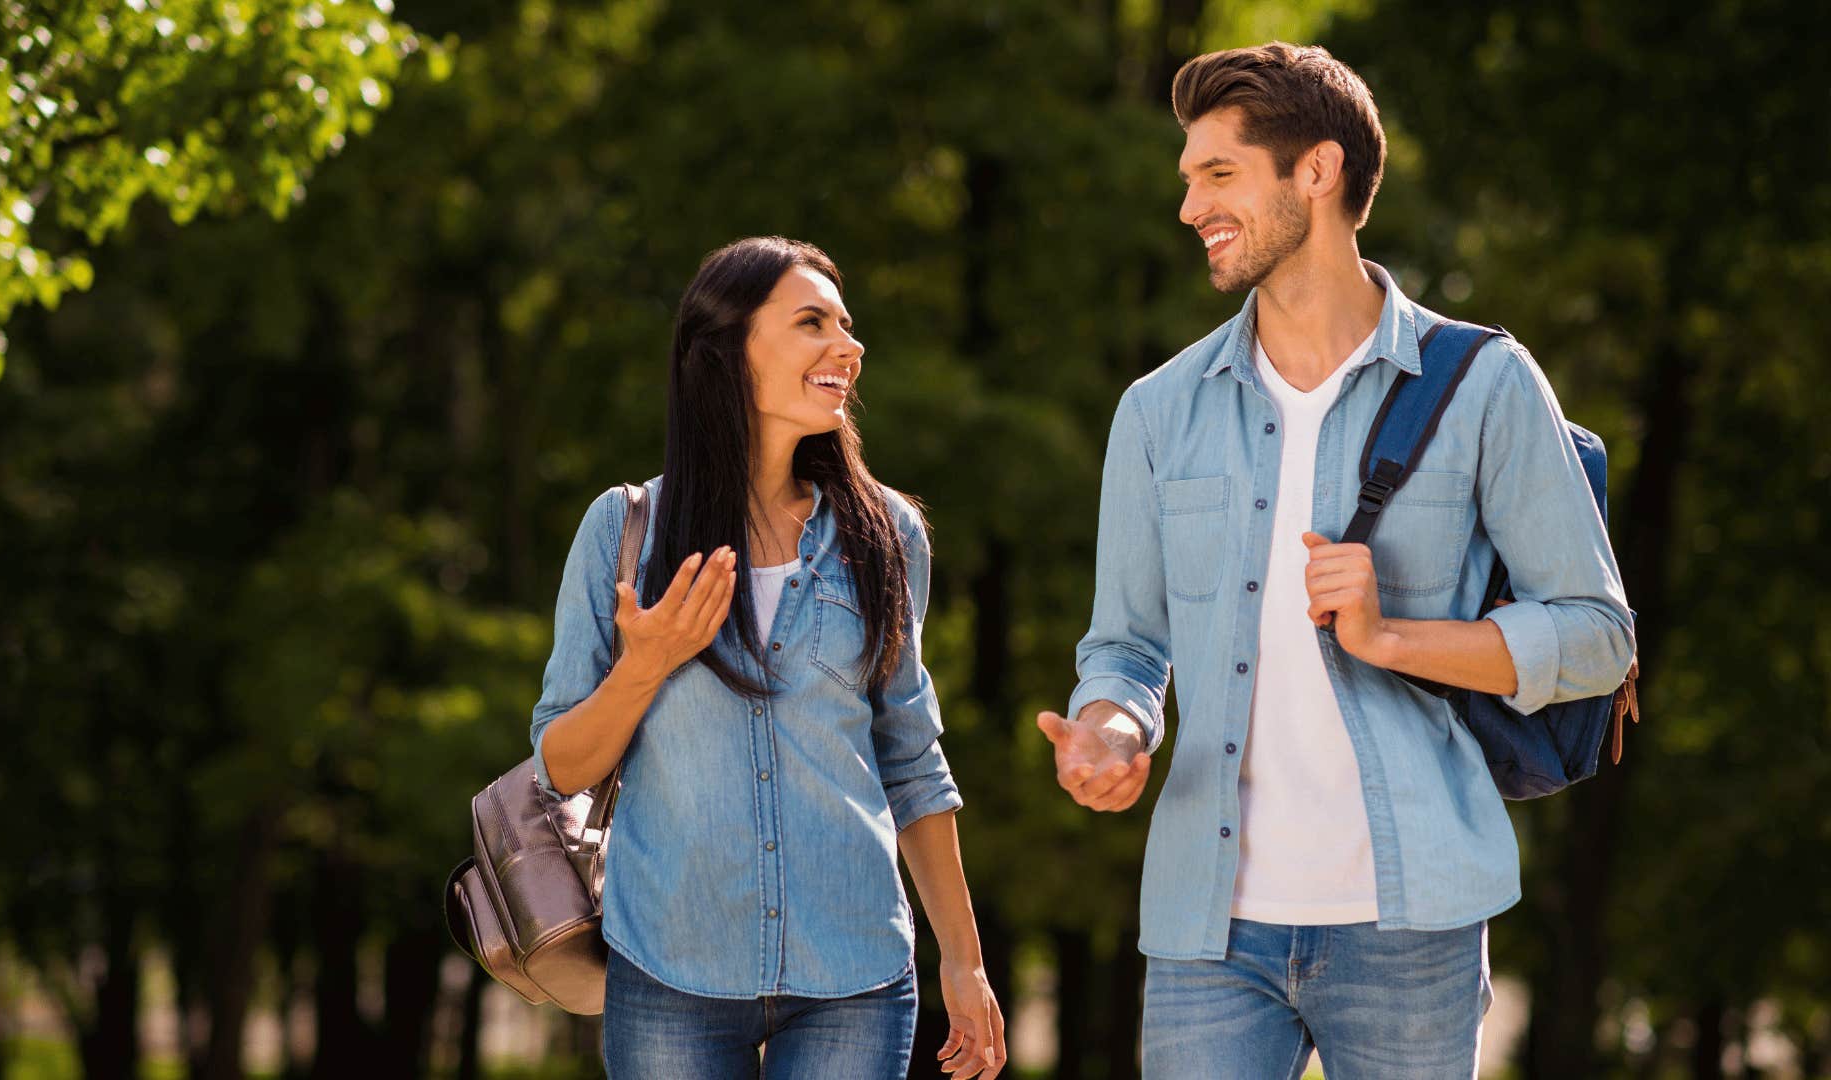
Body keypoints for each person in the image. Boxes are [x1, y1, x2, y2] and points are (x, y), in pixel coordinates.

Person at [1035, 43, 1635, 1078]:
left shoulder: (1488, 385)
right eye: (1189, 180)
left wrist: (1394, 635)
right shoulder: (1158, 412)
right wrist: (1112, 728)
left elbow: (1597, 636)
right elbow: (1127, 645)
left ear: (1314, 172)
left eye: (1217, 175)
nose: (1189, 208)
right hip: (1206, 930)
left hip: (1412, 925)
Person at [530, 236, 1005, 1079]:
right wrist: (646, 665)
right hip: (669, 964)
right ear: (724, 350)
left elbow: (911, 759)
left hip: (853, 971)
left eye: (848, 326)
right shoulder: (623, 531)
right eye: (812, 322)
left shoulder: (887, 537)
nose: (849, 347)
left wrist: (962, 961)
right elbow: (560, 768)